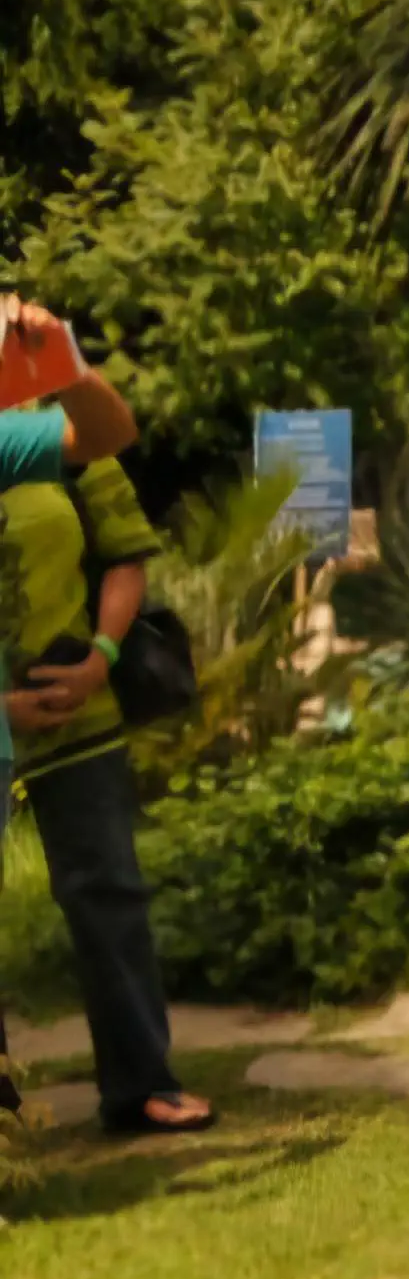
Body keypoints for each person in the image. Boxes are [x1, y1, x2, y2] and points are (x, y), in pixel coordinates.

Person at [4, 412, 185, 1134]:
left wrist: (98, 660)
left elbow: (124, 555)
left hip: (79, 709)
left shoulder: (52, 428)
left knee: (107, 897)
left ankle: (143, 1084)